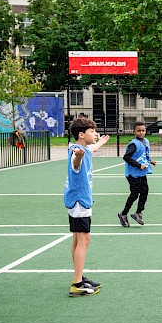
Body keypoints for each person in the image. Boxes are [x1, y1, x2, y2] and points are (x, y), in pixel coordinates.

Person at [63, 117, 110, 297]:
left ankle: (79, 276)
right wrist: (79, 156)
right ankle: (77, 284)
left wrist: (101, 142)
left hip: (77, 200)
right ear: (81, 135)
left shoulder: (85, 148)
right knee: (85, 239)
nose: (95, 134)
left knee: (77, 239)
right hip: (79, 201)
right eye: (92, 131)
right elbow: (76, 162)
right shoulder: (77, 152)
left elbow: (93, 147)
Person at [119, 121, 157, 227]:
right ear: (134, 132)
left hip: (141, 173)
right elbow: (126, 157)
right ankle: (123, 214)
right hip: (133, 173)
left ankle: (138, 213)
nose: (141, 132)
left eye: (143, 130)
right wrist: (139, 165)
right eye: (138, 131)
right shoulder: (134, 144)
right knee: (134, 194)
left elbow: (142, 156)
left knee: (145, 191)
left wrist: (149, 161)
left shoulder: (146, 142)